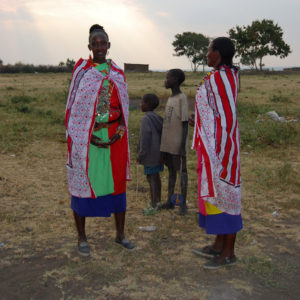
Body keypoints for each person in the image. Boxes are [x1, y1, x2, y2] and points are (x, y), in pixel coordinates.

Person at [65, 24, 134, 256]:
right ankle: (82, 237)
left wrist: (120, 132)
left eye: (102, 43)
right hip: (88, 141)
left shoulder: (117, 72)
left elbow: (124, 108)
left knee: (117, 187)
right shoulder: (82, 72)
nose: (99, 47)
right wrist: (87, 136)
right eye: (94, 44)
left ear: (109, 45)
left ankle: (121, 234)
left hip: (115, 139)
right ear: (89, 46)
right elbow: (73, 109)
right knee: (82, 185)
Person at [190, 37, 242, 269]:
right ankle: (219, 244)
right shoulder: (222, 76)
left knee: (226, 197)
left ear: (217, 54)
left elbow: (225, 117)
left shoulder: (222, 78)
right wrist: (199, 122)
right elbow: (215, 112)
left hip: (221, 149)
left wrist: (217, 147)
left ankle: (229, 253)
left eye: (209, 51)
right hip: (213, 146)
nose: (207, 54)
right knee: (215, 196)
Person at [159, 69, 189, 216]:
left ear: (176, 80)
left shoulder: (181, 98)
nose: (165, 80)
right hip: (168, 143)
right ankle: (170, 201)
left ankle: (183, 204)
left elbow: (184, 123)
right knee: (171, 172)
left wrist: (183, 146)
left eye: (168, 78)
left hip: (178, 144)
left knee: (182, 173)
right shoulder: (171, 98)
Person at [137, 94, 163, 208]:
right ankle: (158, 200)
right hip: (159, 154)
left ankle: (154, 203)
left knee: (151, 178)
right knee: (156, 177)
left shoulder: (145, 119)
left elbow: (144, 139)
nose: (140, 104)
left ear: (147, 105)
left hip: (149, 155)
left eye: (142, 102)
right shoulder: (158, 118)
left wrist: (141, 155)